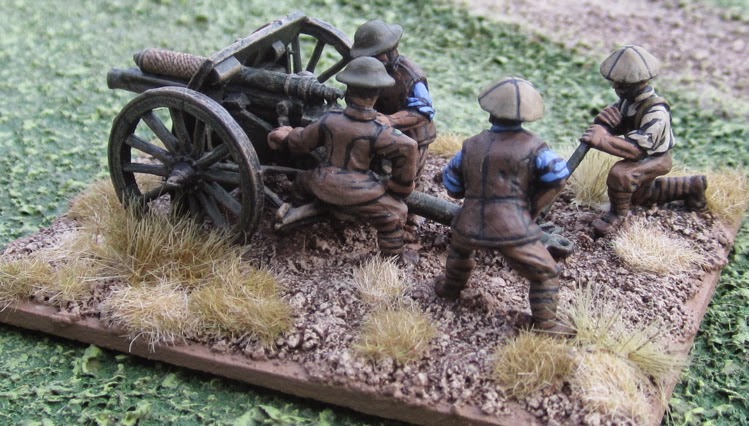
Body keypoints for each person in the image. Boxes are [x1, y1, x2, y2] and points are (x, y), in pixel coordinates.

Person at [436, 77, 572, 335]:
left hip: (468, 223)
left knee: (460, 253)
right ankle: (545, 323)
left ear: (490, 112)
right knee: (546, 272)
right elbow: (558, 175)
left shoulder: (470, 145)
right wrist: (533, 207)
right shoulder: (535, 147)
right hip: (511, 228)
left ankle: (449, 290)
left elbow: (452, 185)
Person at [267, 57, 418, 257]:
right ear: (377, 93)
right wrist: (401, 186)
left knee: (301, 180)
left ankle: (297, 211)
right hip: (359, 191)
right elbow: (409, 147)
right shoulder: (379, 130)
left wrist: (287, 134)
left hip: (321, 182)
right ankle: (392, 258)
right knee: (396, 213)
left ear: (348, 90)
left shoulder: (330, 119)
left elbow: (302, 142)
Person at [580, 45, 707, 236]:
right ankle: (691, 186)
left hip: (656, 158)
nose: (615, 87)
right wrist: (607, 122)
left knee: (621, 174)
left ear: (640, 82)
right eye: (615, 82)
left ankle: (618, 216)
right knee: (641, 196)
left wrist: (603, 140)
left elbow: (636, 150)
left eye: (622, 84)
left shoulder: (656, 112)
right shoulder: (627, 101)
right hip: (645, 155)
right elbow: (621, 124)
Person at [350, 19, 437, 180]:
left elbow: (423, 112)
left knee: (407, 176)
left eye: (375, 56)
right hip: (379, 132)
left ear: (389, 51)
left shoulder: (411, 76)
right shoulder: (369, 69)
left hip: (413, 135)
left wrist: (390, 120)